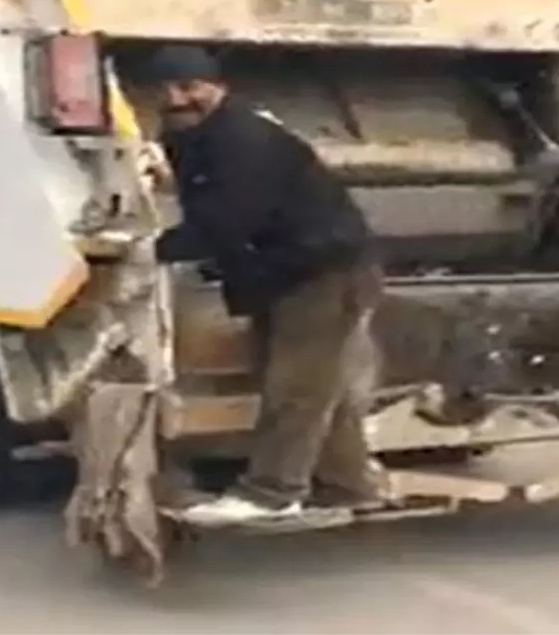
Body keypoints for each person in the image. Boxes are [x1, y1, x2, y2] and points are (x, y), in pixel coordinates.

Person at [140, 44, 384, 526]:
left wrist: (149, 249)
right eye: (165, 90)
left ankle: (273, 492)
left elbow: (228, 220)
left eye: (189, 87)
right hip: (287, 270)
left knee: (294, 387)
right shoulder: (195, 135)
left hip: (324, 273)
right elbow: (206, 197)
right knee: (319, 386)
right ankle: (346, 485)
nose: (177, 99)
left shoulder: (242, 138)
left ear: (218, 88)